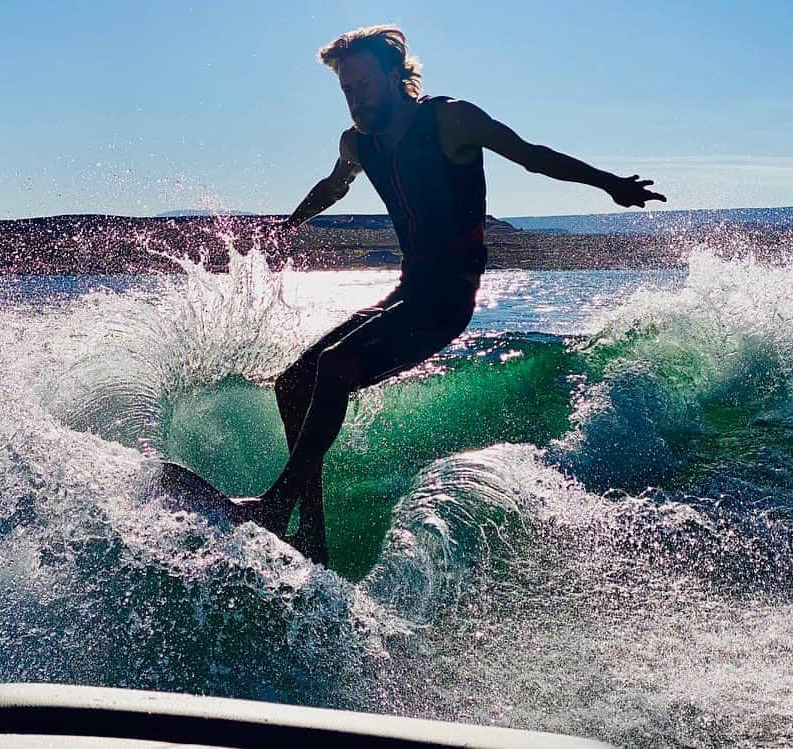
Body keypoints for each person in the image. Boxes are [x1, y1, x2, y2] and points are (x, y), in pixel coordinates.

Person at [241, 24, 666, 563]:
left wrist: (611, 183)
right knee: (292, 384)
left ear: (398, 76)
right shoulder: (357, 142)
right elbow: (334, 184)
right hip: (406, 291)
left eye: (364, 84)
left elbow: (532, 155)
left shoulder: (449, 119)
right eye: (346, 89)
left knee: (334, 365)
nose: (355, 98)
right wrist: (289, 224)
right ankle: (311, 537)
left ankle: (277, 507)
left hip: (446, 300)